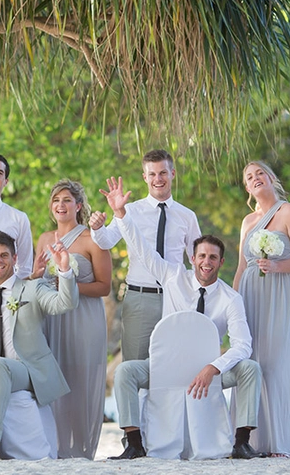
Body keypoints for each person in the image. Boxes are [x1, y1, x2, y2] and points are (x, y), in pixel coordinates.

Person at [101, 177, 265, 460]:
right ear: (192, 257)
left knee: (250, 367)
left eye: (213, 257)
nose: (206, 262)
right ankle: (134, 443)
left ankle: (241, 442)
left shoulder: (230, 299)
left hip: (209, 372)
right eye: (202, 255)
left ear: (221, 262)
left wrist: (213, 367)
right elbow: (141, 249)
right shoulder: (172, 277)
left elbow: (242, 345)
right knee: (126, 371)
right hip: (167, 367)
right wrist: (120, 215)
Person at [0, 231, 80, 460]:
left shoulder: (32, 289)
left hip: (27, 371)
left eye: (4, 255)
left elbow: (65, 303)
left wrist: (64, 269)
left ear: (15, 259)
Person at [233, 161, 290, 458]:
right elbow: (242, 266)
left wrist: (278, 265)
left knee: (277, 365)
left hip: (280, 294)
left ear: (270, 178)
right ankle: (245, 440)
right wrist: (233, 305)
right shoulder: (247, 222)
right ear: (247, 187)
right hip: (252, 294)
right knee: (252, 362)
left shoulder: (288, 212)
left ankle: (277, 444)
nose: (255, 179)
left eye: (259, 173)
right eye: (249, 177)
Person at [89, 149, 201, 361]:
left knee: (173, 362)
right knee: (134, 364)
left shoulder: (187, 216)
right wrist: (97, 228)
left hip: (174, 297)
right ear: (144, 177)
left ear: (172, 174)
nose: (158, 179)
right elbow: (106, 241)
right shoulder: (128, 210)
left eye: (163, 173)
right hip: (139, 298)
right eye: (152, 174)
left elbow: (199, 260)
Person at [32, 179, 111, 459]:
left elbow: (105, 286)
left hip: (84, 319)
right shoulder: (43, 239)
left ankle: (82, 448)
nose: (61, 205)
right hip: (52, 319)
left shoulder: (92, 239)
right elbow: (36, 281)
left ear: (78, 206)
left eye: (67, 200)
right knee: (55, 378)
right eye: (56, 200)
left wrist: (67, 286)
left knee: (81, 380)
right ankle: (55, 446)